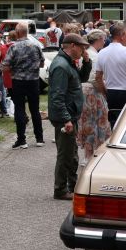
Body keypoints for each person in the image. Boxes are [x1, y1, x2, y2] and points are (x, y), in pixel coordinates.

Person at [47, 33, 90, 200]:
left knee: (71, 154)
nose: (83, 50)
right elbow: (57, 96)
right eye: (81, 47)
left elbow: (81, 79)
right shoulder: (61, 66)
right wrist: (66, 118)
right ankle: (60, 190)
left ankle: (73, 187)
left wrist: (87, 62)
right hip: (65, 117)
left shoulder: (67, 63)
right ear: (72, 46)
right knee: (65, 155)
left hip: (70, 115)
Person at [1, 22, 45, 149]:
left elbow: (6, 66)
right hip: (33, 81)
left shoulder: (14, 47)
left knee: (20, 109)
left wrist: (8, 68)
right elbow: (42, 64)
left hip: (18, 81)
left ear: (18, 32)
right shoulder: (36, 45)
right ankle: (39, 138)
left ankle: (22, 140)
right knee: (35, 110)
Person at [94, 23, 126, 126]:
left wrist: (104, 92)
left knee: (112, 121)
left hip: (110, 92)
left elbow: (98, 77)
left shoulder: (102, 52)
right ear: (122, 35)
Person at [78, 29, 110, 166]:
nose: (104, 42)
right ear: (98, 40)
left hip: (82, 90)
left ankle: (87, 154)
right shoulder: (96, 56)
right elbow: (98, 78)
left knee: (86, 123)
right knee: (97, 123)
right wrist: (105, 91)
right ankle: (91, 154)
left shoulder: (86, 53)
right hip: (93, 91)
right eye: (103, 39)